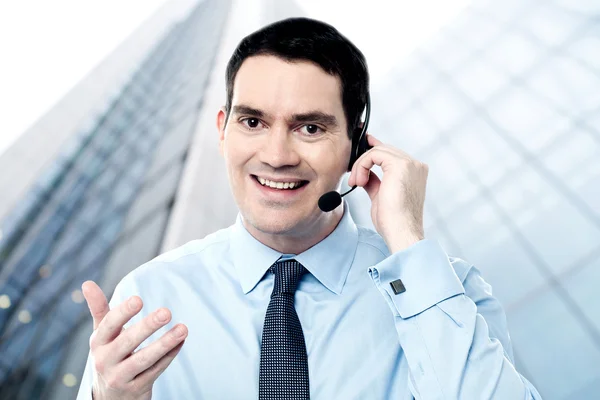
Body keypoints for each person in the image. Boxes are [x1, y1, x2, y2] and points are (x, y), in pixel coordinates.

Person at [76, 17, 542, 400]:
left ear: (356, 143)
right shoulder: (148, 296)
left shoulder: (447, 291)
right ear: (223, 131)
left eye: (310, 129)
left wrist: (407, 240)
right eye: (253, 121)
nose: (277, 154)